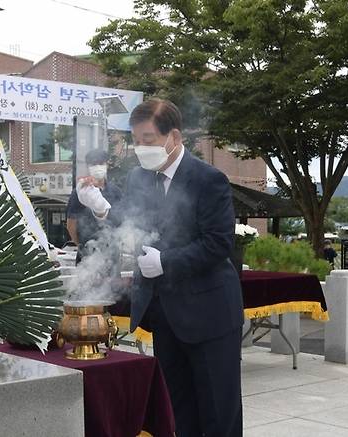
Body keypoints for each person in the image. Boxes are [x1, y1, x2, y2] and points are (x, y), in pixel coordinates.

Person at [76, 99, 243, 436]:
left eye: (148, 139)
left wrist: (165, 263)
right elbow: (132, 223)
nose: (141, 148)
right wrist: (100, 206)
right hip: (166, 313)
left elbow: (218, 243)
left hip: (210, 314)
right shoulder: (140, 177)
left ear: (174, 137)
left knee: (217, 413)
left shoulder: (208, 179)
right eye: (136, 140)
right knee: (178, 411)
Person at [65, 149, 122, 262]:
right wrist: (81, 245)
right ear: (88, 166)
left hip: (111, 254)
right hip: (87, 255)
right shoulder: (80, 192)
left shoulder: (116, 191)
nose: (97, 167)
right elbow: (71, 224)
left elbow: (122, 221)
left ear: (107, 164)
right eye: (93, 164)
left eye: (101, 163)